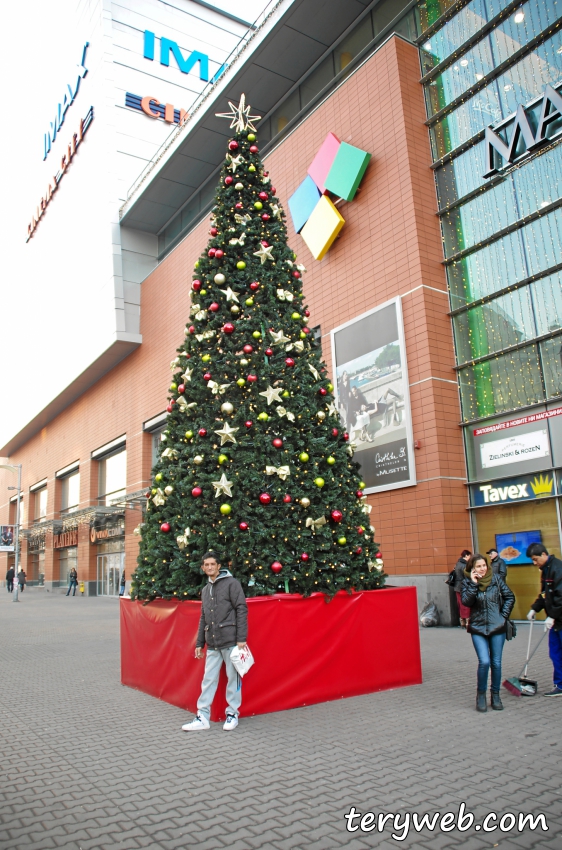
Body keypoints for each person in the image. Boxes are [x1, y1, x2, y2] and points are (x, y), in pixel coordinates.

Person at [182, 551, 248, 732]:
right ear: (203, 567)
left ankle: (232, 713)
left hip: (231, 641)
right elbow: (203, 617)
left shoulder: (232, 584)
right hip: (213, 643)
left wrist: (241, 638)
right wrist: (199, 643)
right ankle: (202, 716)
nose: (209, 567)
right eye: (206, 565)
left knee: (233, 679)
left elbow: (241, 608)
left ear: (219, 566)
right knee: (208, 680)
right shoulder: (205, 590)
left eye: (213, 564)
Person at [461, 553, 515, 712]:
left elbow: (509, 597)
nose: (482, 569)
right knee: (484, 662)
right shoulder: (468, 582)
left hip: (497, 627)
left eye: (484, 565)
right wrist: (473, 584)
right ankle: (481, 695)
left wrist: (502, 617)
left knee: (496, 663)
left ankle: (496, 695)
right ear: (472, 568)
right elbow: (466, 602)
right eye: (478, 566)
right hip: (478, 627)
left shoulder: (496, 579)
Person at [526, 543, 562, 697]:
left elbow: (561, 596)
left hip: (559, 619)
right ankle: (560, 685)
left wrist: (552, 616)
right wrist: (535, 608)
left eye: (535, 559)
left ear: (543, 555)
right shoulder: (545, 571)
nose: (535, 563)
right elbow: (544, 594)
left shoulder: (558, 569)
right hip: (556, 622)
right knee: (555, 652)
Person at [453, 550, 472, 628]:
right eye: (470, 556)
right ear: (466, 556)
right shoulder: (465, 565)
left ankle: (462, 621)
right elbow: (467, 576)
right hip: (464, 586)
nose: (470, 558)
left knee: (460, 604)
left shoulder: (457, 564)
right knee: (466, 604)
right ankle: (468, 621)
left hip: (457, 587)